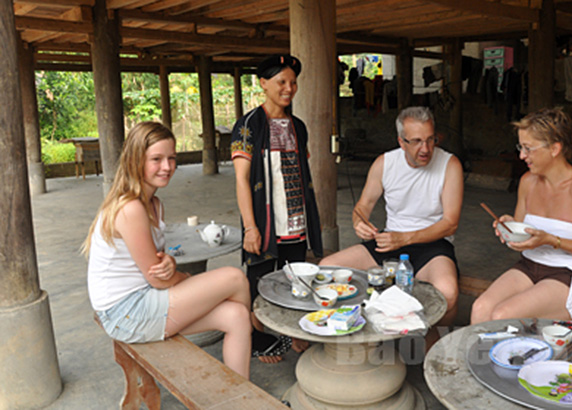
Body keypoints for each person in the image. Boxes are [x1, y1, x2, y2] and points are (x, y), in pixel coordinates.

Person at [84, 122, 251, 379]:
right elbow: (157, 279)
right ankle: (258, 338)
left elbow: (158, 265)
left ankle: (241, 400)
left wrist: (171, 263)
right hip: (125, 313)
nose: (167, 167)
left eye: (171, 158)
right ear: (135, 160)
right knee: (235, 278)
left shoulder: (154, 204)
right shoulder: (130, 208)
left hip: (143, 299)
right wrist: (185, 279)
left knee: (237, 315)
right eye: (156, 159)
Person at [320, 106, 463, 329]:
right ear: (401, 142)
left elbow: (450, 224)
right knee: (327, 268)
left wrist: (405, 239)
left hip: (433, 244)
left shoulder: (450, 164)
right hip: (389, 242)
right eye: (416, 141)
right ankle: (343, 328)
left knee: (449, 293)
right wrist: (359, 222)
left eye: (430, 139)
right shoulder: (385, 163)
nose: (425, 148)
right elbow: (363, 205)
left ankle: (435, 341)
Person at [470, 107, 572, 324]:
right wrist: (510, 229)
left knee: (503, 316)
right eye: (520, 147)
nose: (521, 156)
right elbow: (524, 238)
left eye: (528, 148)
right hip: (531, 265)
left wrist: (552, 240)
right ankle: (477, 358)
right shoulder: (528, 182)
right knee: (480, 309)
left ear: (555, 149)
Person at [231, 54, 323, 363]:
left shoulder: (298, 126)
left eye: (293, 82)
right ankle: (257, 336)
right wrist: (250, 226)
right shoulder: (248, 126)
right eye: (281, 82)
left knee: (294, 276)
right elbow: (242, 180)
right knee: (258, 279)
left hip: (294, 216)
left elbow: (299, 170)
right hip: (265, 219)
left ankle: (293, 330)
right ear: (263, 84)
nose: (289, 88)